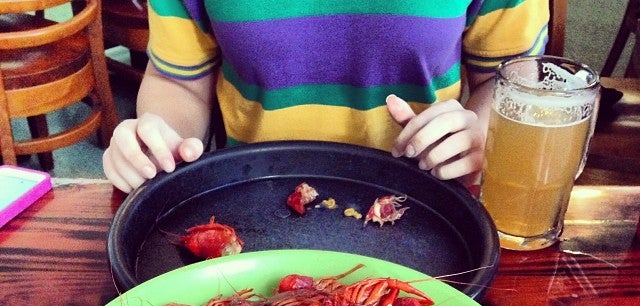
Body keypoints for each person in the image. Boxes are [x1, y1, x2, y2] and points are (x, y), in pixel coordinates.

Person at [103, 1, 549, 193]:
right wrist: (158, 141)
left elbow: (511, 78)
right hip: (248, 198)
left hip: (425, 203)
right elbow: (178, 80)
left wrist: (485, 133)